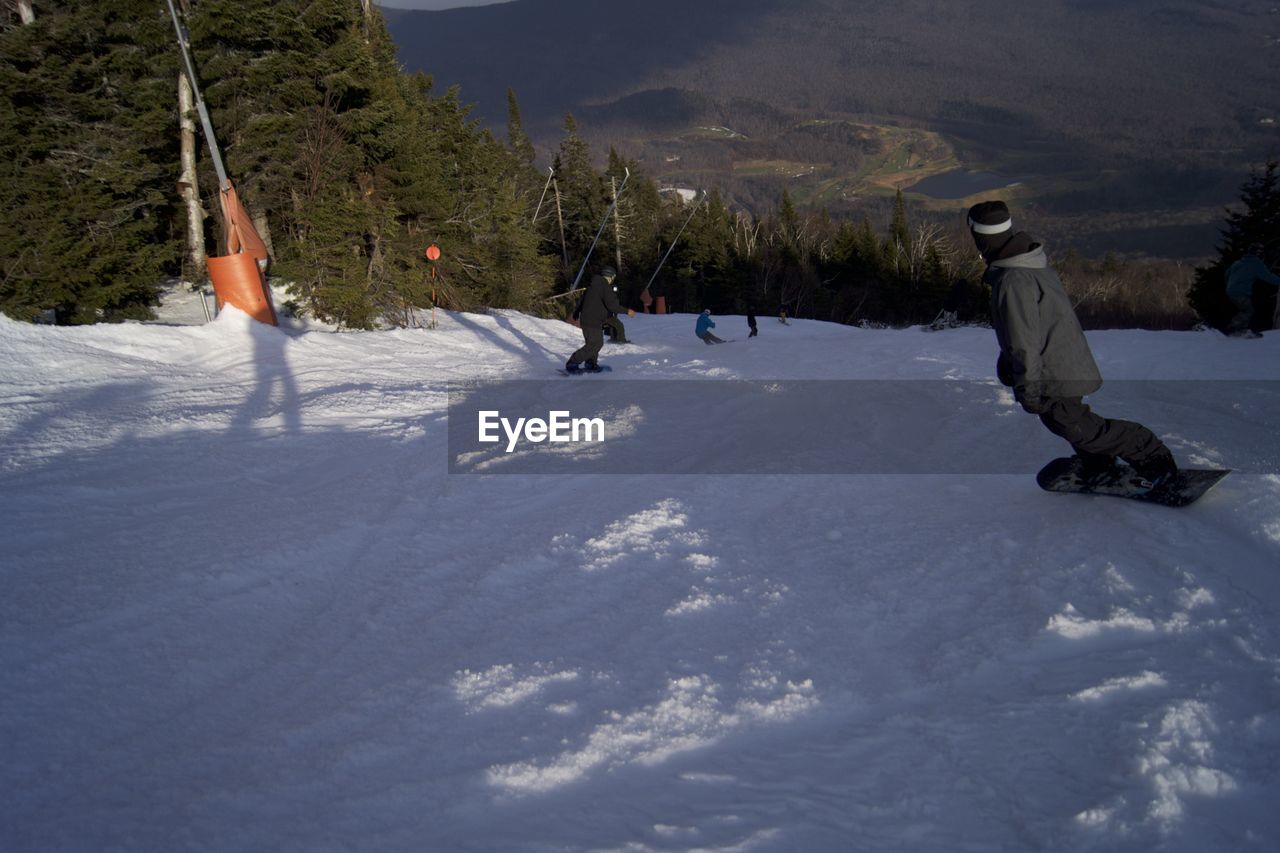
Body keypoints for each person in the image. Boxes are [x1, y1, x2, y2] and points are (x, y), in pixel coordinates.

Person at [967, 200, 1178, 489]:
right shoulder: (1028, 263)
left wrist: (1028, 386)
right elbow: (1033, 325)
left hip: (1054, 369)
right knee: (1065, 421)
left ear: (979, 236)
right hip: (1061, 359)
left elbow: (1023, 341)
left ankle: (1150, 453)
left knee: (1076, 425)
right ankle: (1098, 463)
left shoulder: (1014, 279)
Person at [566, 266, 622, 372]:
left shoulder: (596, 286)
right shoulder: (599, 287)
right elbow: (611, 304)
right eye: (612, 277)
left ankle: (590, 363)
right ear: (609, 277)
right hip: (590, 320)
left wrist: (577, 312)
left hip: (595, 320)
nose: (612, 280)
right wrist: (576, 313)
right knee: (595, 343)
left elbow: (584, 300)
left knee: (595, 343)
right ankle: (572, 362)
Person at [1224, 244, 1280, 337]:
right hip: (1241, 292)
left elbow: (1227, 273)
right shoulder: (1256, 264)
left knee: (1244, 309)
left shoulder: (1238, 262)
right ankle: (1234, 328)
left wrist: (1230, 285)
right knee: (1248, 310)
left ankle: (1240, 330)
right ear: (1258, 254)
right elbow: (1268, 277)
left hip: (1230, 290)